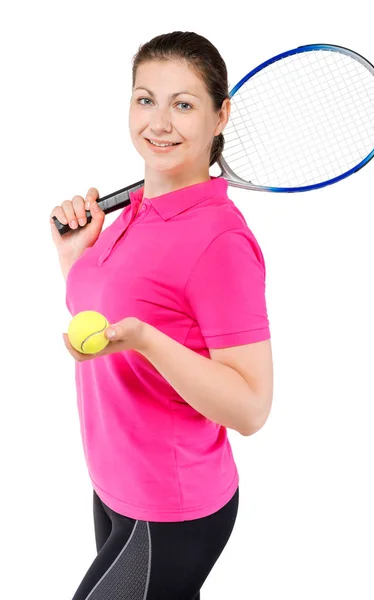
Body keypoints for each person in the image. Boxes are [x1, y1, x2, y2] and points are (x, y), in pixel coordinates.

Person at [49, 31, 273, 600]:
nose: (159, 122)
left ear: (221, 115)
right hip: (115, 486)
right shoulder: (133, 213)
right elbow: (104, 329)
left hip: (172, 510)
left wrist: (147, 341)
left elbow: (250, 409)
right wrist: (74, 260)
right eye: (146, 99)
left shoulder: (220, 241)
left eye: (184, 104)